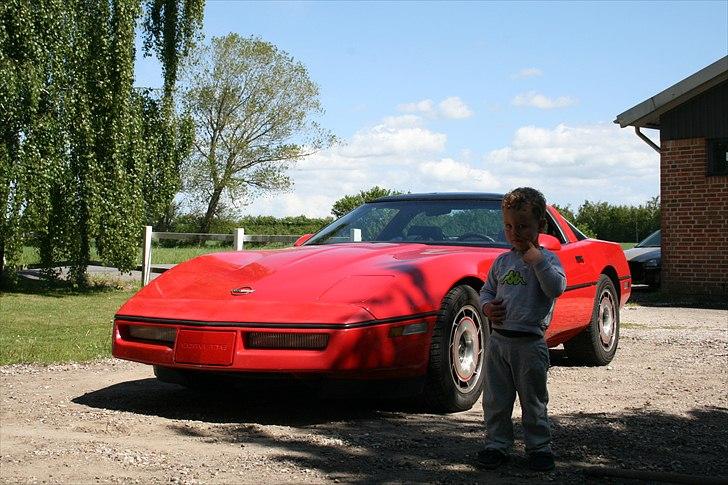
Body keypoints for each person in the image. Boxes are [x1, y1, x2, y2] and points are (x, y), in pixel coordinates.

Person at [477, 187, 566, 472]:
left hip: (530, 343)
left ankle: (539, 448)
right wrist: (488, 308)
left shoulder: (548, 260)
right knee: (495, 399)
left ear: (540, 226)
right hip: (499, 342)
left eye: (523, 226)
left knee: (534, 400)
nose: (515, 233)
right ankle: (497, 445)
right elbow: (486, 291)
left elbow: (556, 288)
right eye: (509, 226)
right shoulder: (502, 262)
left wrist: (537, 261)